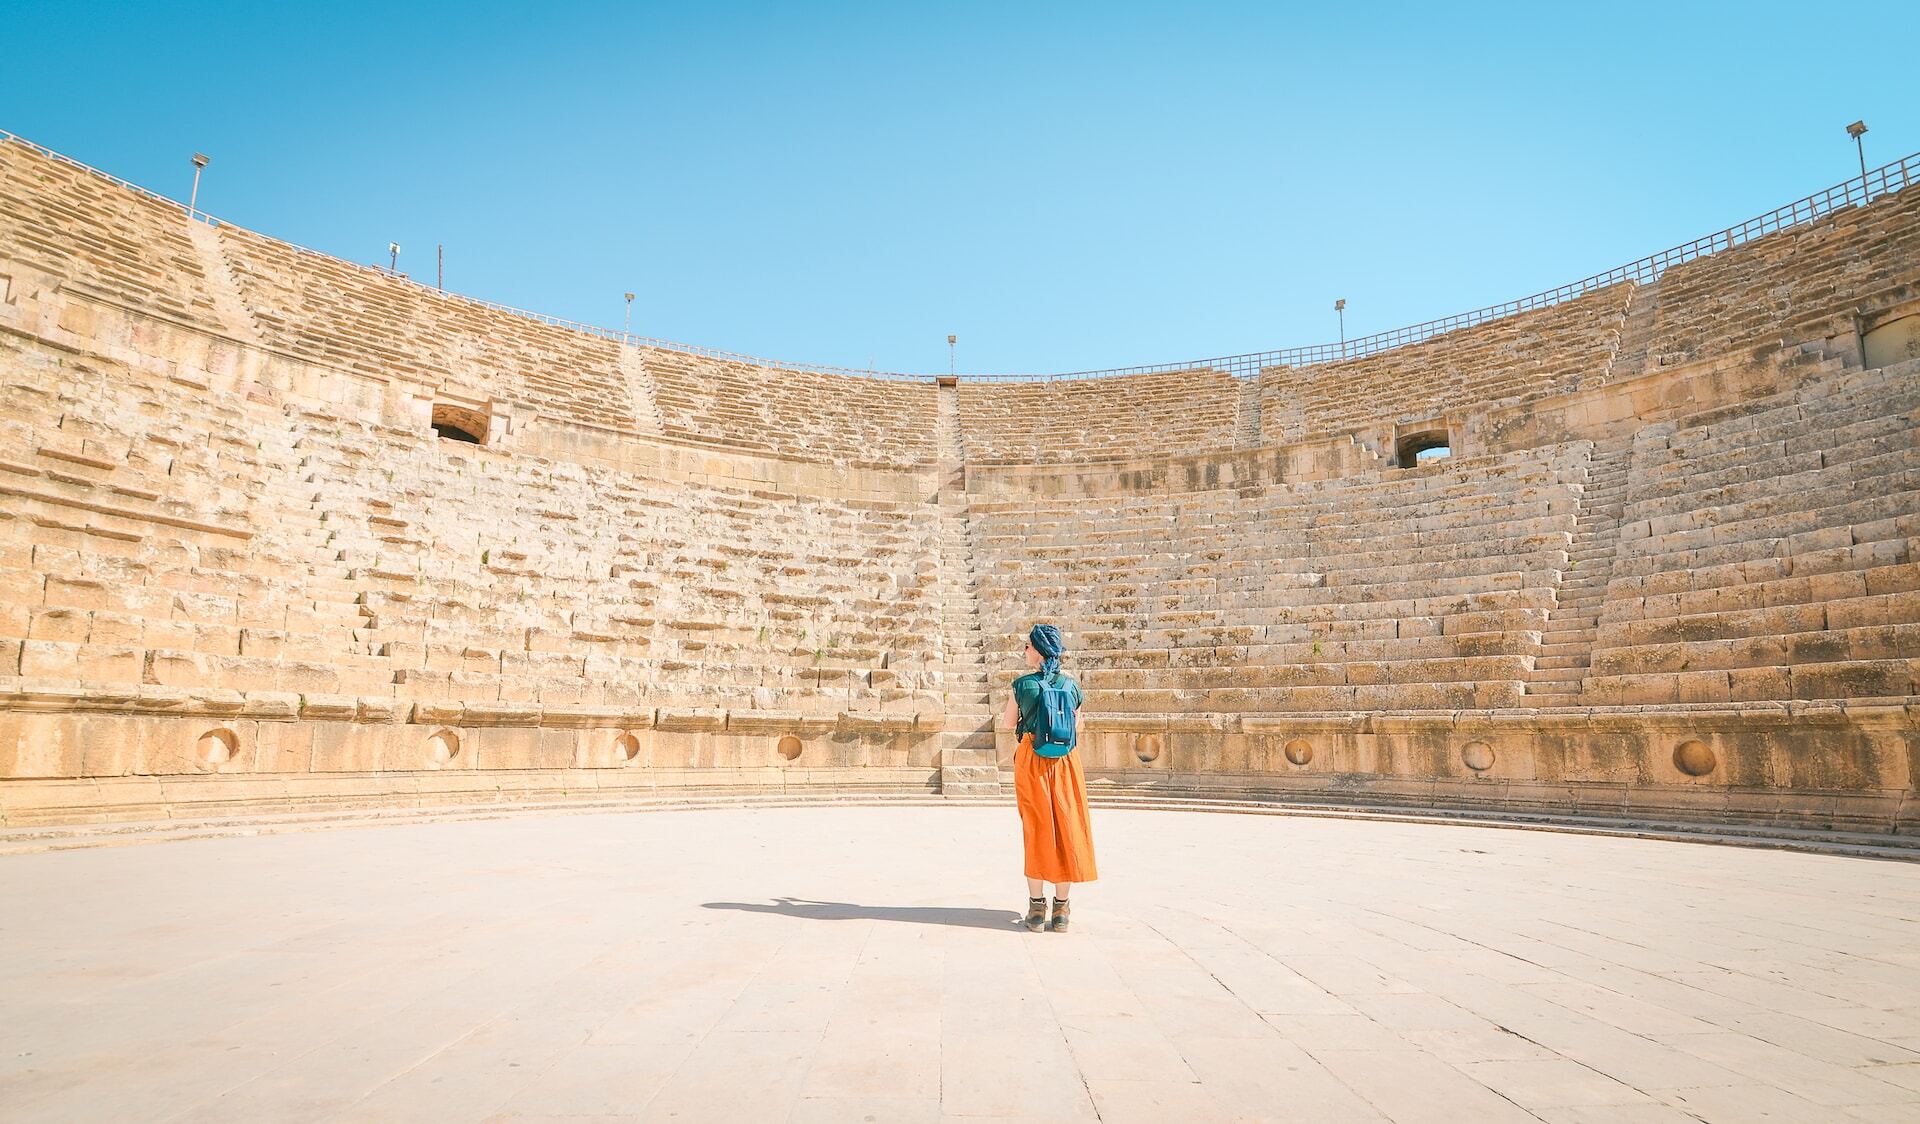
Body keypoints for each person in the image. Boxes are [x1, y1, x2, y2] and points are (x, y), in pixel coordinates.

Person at [1002, 623, 1098, 932]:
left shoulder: (1022, 685)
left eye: (1027, 647)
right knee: (1067, 827)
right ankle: (1061, 911)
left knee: (1037, 827)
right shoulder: (1070, 686)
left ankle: (1035, 910)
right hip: (1066, 763)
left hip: (1032, 761)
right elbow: (1077, 727)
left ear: (1039, 651)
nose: (1025, 652)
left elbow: (1007, 723)